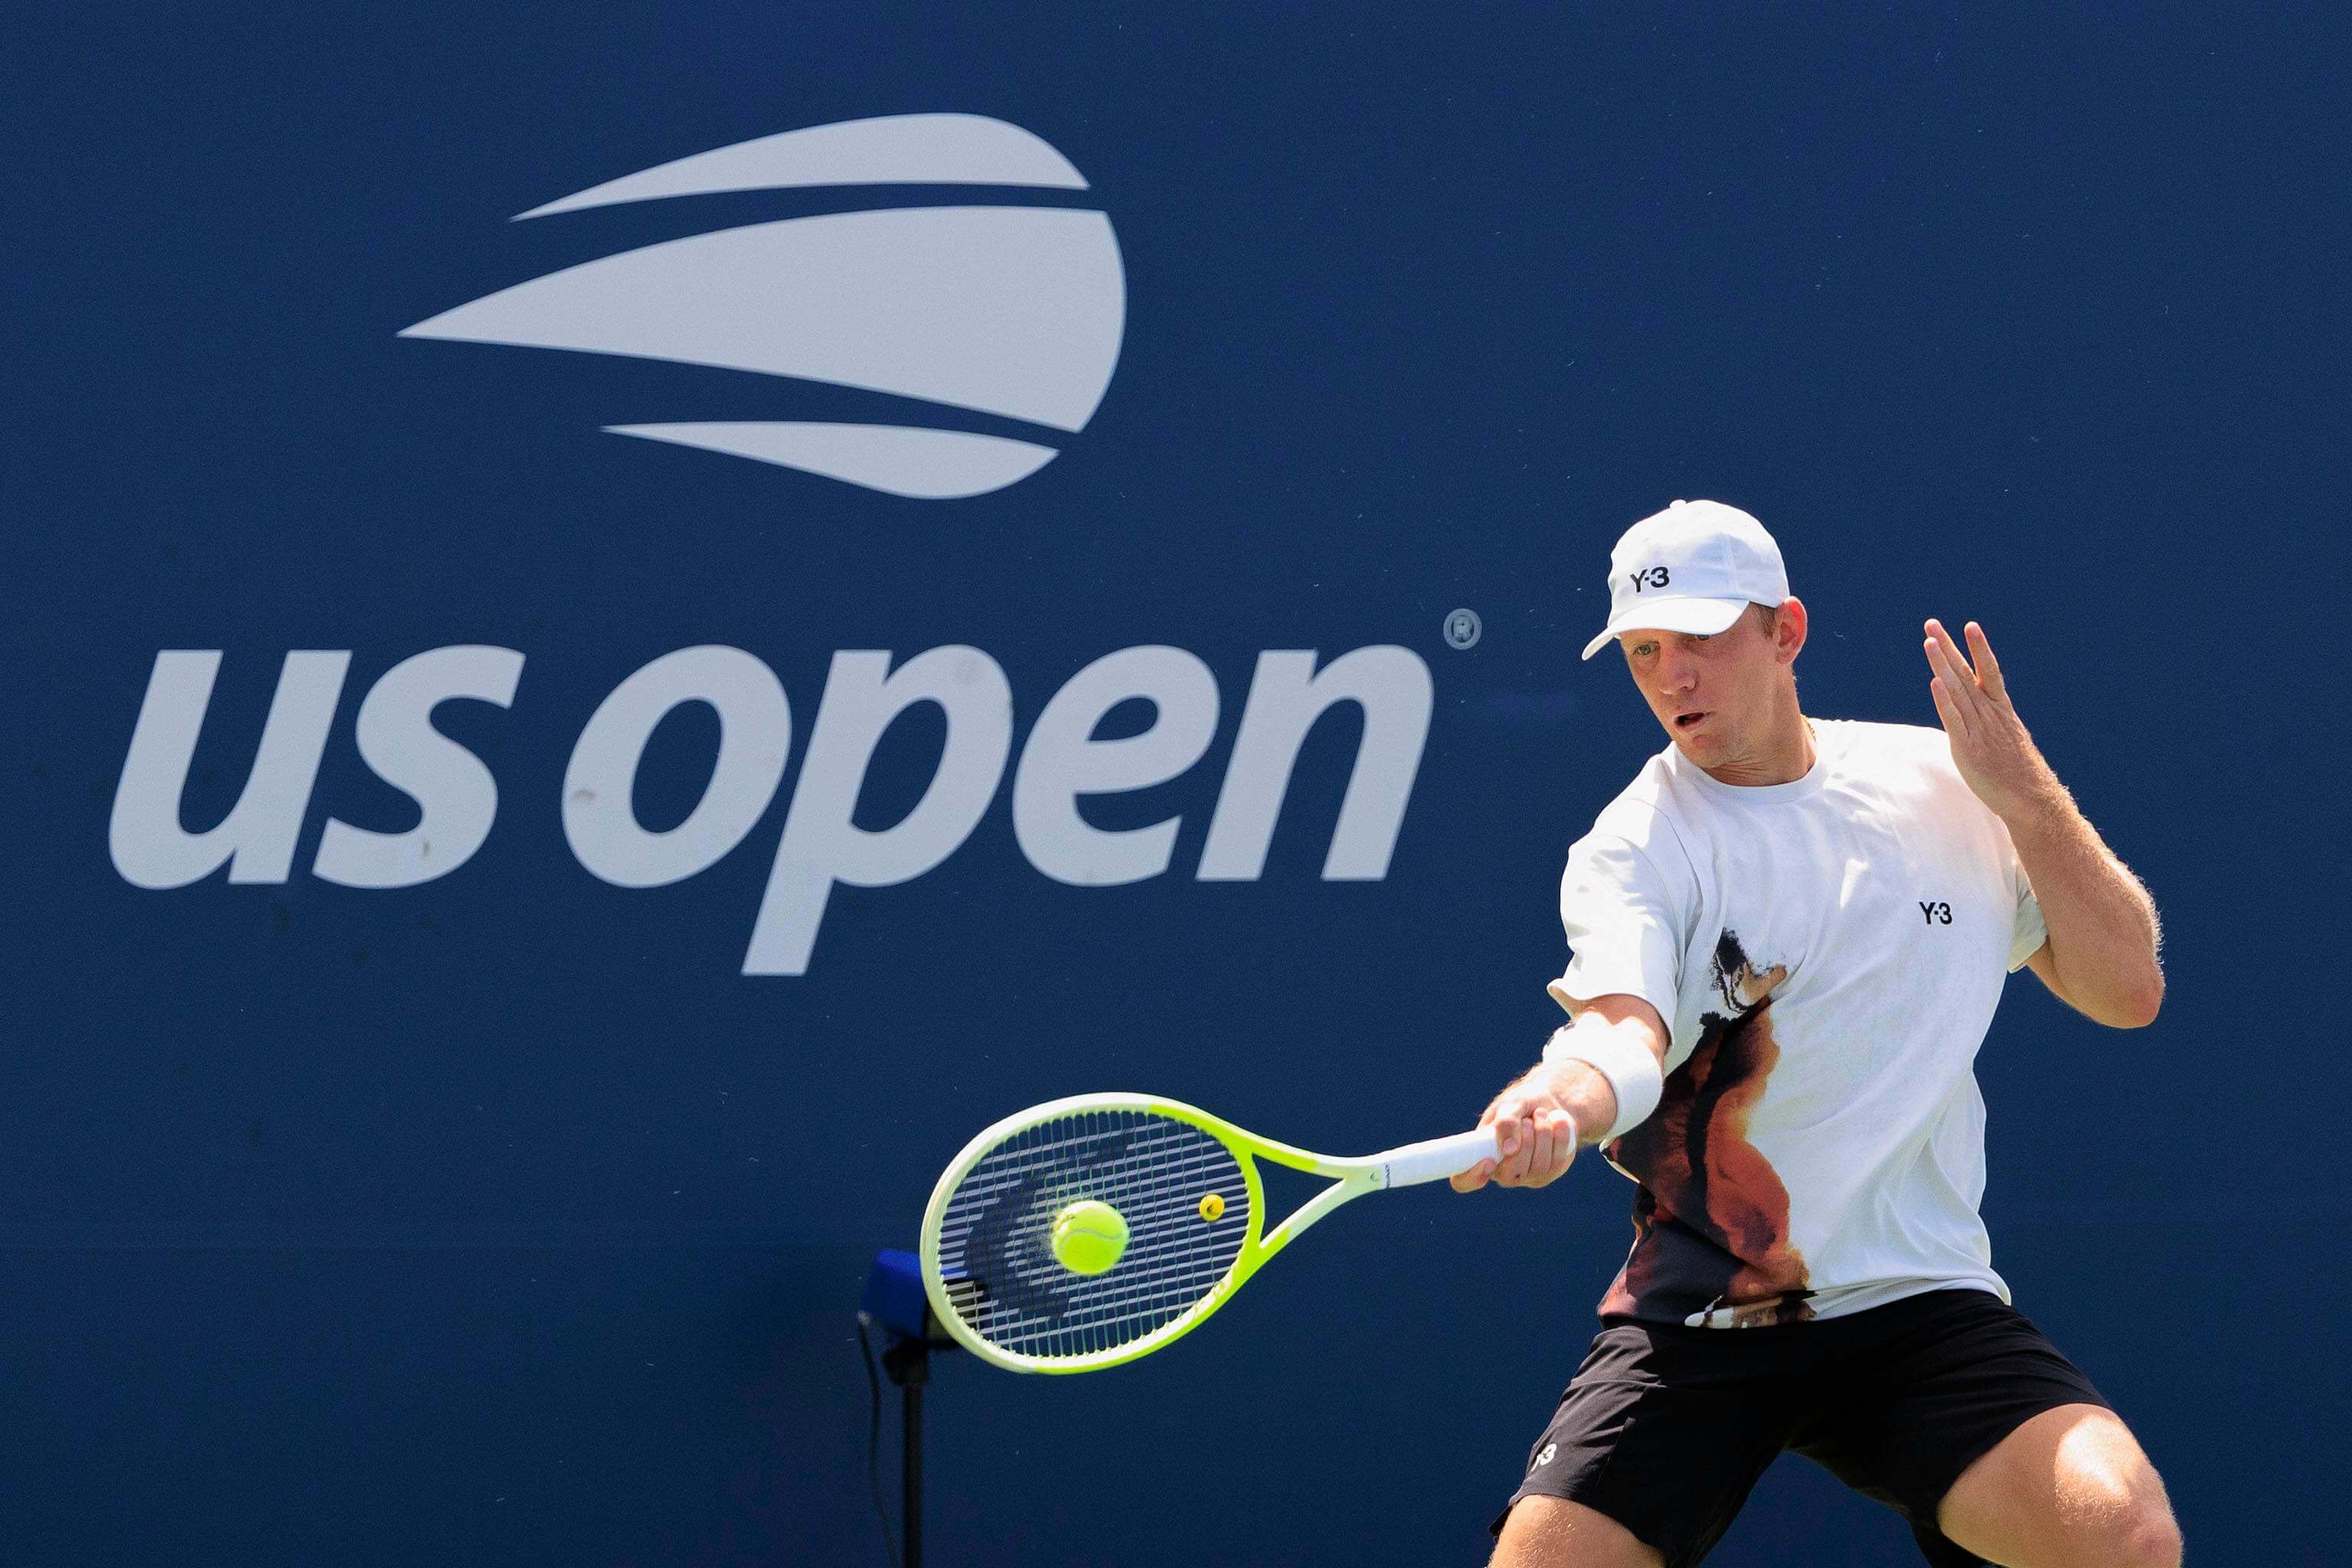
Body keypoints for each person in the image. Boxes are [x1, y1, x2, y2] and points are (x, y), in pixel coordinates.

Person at [1459, 500, 2181, 1568]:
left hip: (1918, 1303)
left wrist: (2026, 798)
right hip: (1704, 1313)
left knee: (2121, 1532)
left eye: (1700, 640)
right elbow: (1621, 1031)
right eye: (1645, 652)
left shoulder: (1947, 787)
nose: (1672, 678)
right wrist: (1559, 1095)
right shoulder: (1634, 847)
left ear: (1785, 632)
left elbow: (2127, 989)